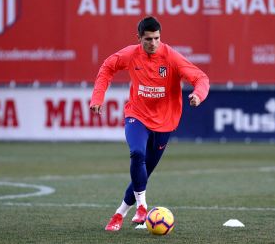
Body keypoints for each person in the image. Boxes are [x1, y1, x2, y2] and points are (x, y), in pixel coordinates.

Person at [90, 16, 210, 231]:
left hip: (164, 123)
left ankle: (119, 213)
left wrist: (198, 95)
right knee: (137, 153)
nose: (153, 43)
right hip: (137, 115)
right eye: (148, 39)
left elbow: (201, 78)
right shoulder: (130, 54)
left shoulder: (171, 57)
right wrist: (98, 97)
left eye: (156, 38)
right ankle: (143, 206)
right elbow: (107, 67)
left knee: (143, 174)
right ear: (139, 38)